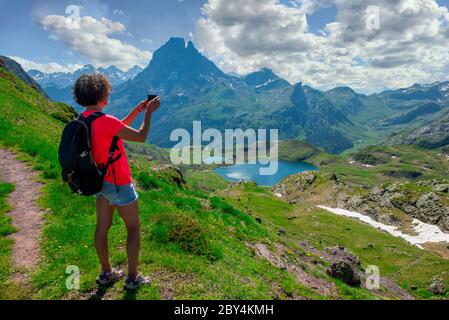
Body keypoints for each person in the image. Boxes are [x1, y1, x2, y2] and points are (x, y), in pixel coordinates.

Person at [72, 73, 160, 290]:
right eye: (107, 91)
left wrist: (137, 110)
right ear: (102, 95)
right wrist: (148, 114)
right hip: (119, 182)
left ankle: (106, 273)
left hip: (98, 182)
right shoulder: (106, 121)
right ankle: (132, 279)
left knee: (102, 227)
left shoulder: (83, 120)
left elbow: (115, 130)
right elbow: (140, 136)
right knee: (133, 228)